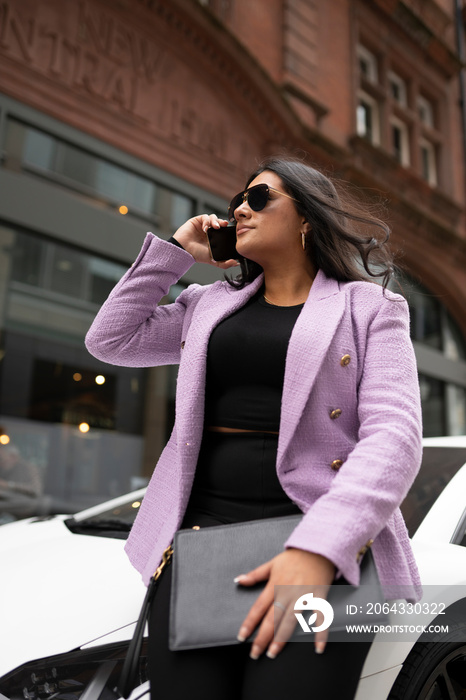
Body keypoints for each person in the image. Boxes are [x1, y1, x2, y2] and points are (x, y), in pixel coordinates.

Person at [85, 157, 423, 700]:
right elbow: (111, 341)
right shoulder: (209, 305)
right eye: (237, 201)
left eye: (260, 197)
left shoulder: (371, 308)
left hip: (322, 546)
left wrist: (318, 551)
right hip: (204, 546)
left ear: (308, 217)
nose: (241, 208)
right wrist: (174, 255)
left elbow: (395, 436)